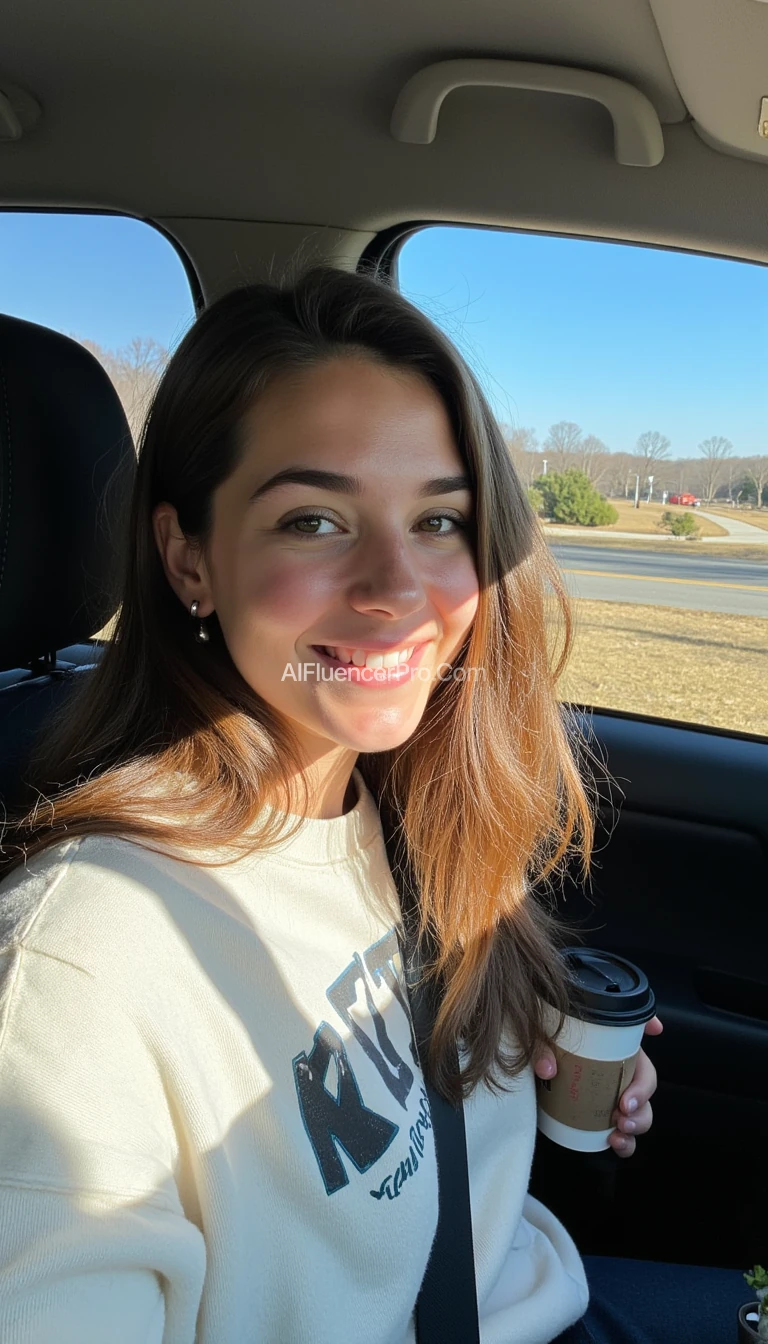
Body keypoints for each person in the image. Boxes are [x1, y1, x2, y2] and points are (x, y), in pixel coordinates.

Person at [0, 266, 737, 1343]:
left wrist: (525, 1075)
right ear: (188, 557)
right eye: (313, 519)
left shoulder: (399, 806)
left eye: (440, 519)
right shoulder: (78, 971)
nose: (399, 589)